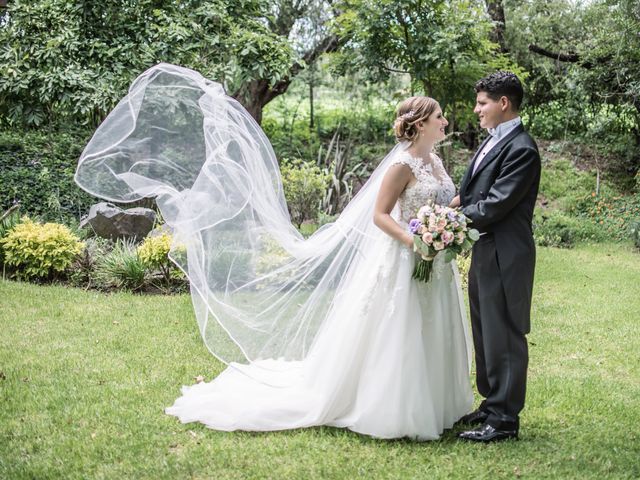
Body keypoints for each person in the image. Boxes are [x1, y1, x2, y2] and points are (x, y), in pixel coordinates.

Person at [75, 64, 473, 440]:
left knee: (433, 322)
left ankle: (438, 404)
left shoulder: (434, 161)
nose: (445, 122)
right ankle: (393, 406)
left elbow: (441, 203)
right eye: (439, 117)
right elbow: (381, 216)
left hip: (434, 258)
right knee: (399, 329)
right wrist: (415, 241)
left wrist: (448, 225)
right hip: (404, 256)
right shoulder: (401, 165)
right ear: (421, 123)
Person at [451, 71, 541, 442]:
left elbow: (496, 204)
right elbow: (474, 190)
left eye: (482, 102)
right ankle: (491, 404)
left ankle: (504, 420)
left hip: (507, 252)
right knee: (486, 329)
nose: (476, 110)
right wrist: (454, 203)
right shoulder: (493, 141)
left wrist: (449, 220)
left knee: (504, 331)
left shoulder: (522, 148)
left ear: (503, 103)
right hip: (486, 248)